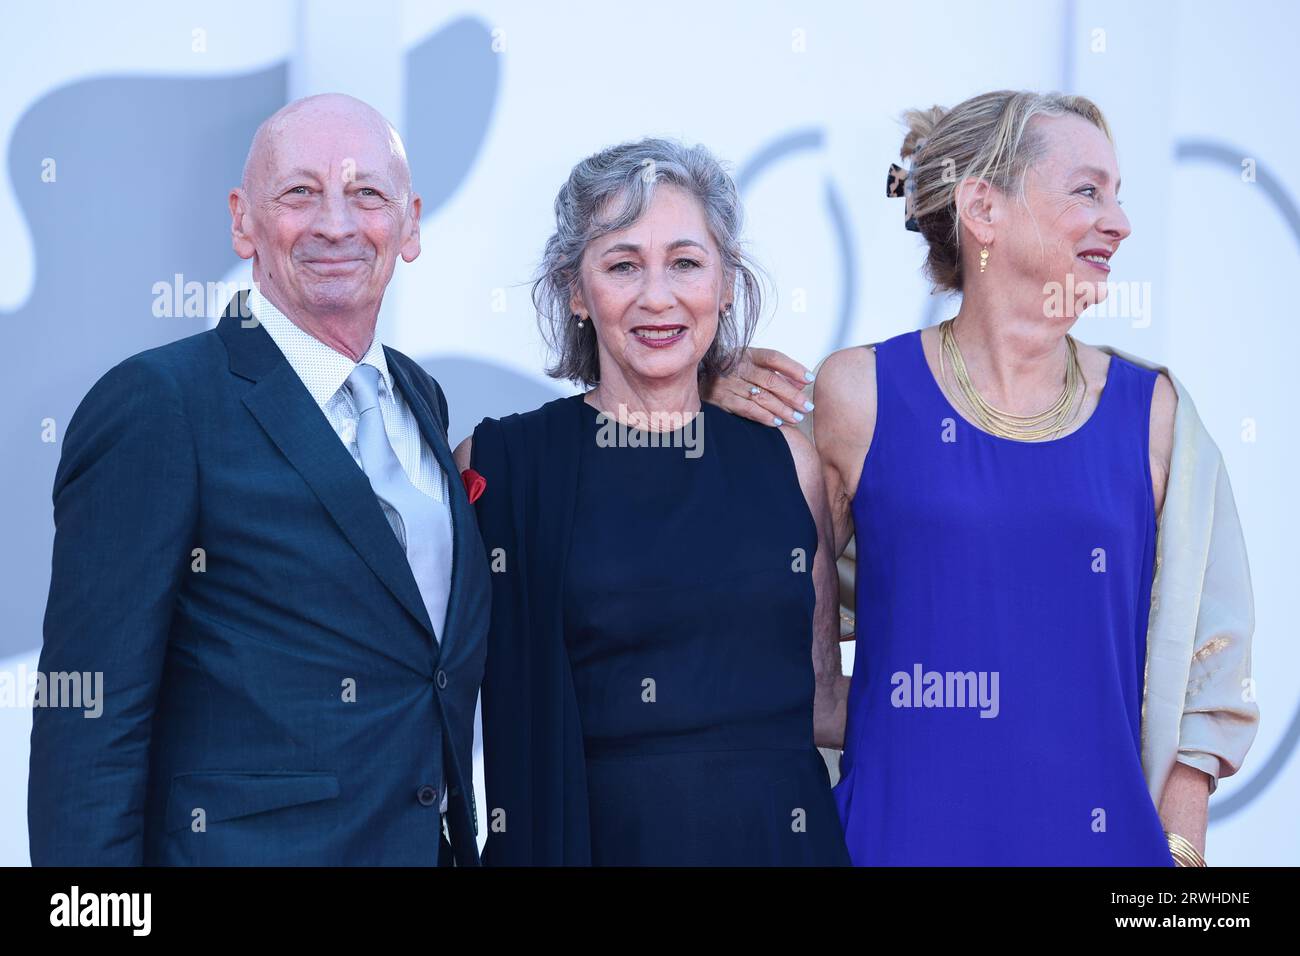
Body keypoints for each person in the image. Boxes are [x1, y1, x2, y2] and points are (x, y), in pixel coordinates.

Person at [710, 90, 1259, 865]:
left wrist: (1179, 863)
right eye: (1087, 191)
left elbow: (1213, 661)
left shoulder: (1157, 414)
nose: (1120, 222)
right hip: (894, 842)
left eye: (1119, 196)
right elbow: (728, 591)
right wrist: (691, 405)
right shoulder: (859, 393)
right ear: (983, 209)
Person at [28, 94, 489, 866]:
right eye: (300, 192)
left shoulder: (419, 399)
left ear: (409, 226)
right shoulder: (161, 404)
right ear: (243, 220)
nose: (336, 224)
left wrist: (688, 384)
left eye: (367, 194)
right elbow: (89, 714)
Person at [454, 138, 851, 865]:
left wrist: (995, 697)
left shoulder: (786, 459)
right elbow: (425, 686)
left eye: (686, 263)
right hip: (592, 843)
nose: (658, 296)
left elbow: (824, 698)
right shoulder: (503, 469)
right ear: (576, 291)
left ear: (725, 283)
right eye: (623, 264)